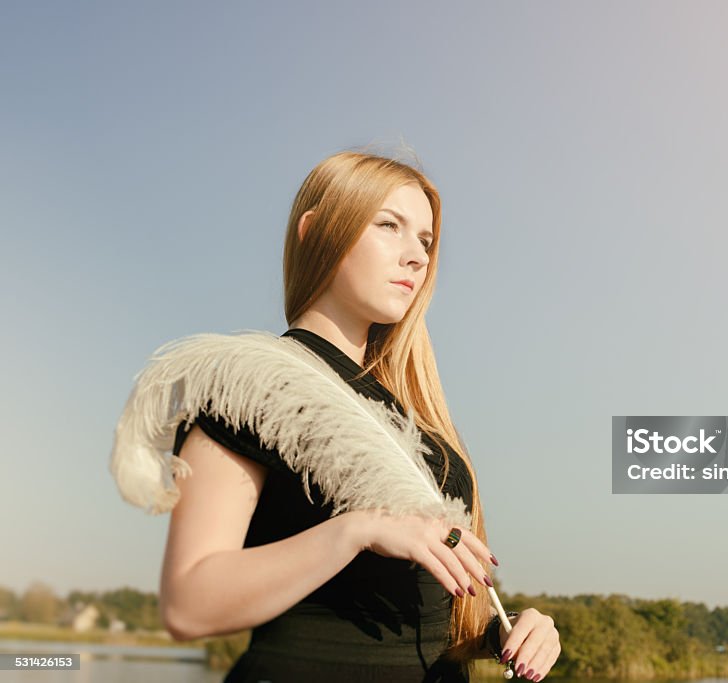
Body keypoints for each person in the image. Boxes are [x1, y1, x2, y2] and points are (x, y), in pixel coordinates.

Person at [158, 150, 561, 682]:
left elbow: (413, 605)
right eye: (389, 225)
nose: (416, 256)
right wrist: (358, 530)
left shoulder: (413, 412)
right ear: (317, 230)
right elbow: (189, 603)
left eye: (425, 240)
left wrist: (500, 634)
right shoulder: (251, 382)